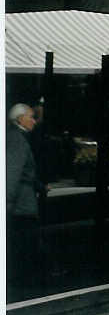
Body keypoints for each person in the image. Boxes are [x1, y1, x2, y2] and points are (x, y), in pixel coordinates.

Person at [6, 103, 45, 287]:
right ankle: (27, 281)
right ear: (20, 119)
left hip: (23, 199)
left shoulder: (17, 137)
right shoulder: (17, 139)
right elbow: (13, 172)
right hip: (22, 202)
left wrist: (39, 185)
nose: (34, 121)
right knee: (25, 241)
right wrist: (7, 202)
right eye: (31, 117)